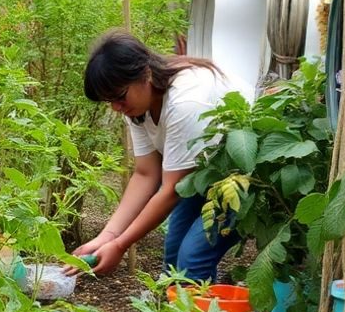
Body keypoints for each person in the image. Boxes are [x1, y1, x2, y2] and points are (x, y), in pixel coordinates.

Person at [69, 30, 248, 281]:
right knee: (174, 262)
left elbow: (171, 190)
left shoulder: (185, 101)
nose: (116, 108)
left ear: (146, 73)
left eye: (120, 97)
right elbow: (146, 174)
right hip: (203, 173)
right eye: (110, 101)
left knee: (192, 260)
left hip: (247, 176)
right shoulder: (138, 106)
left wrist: (120, 245)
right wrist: (107, 236)